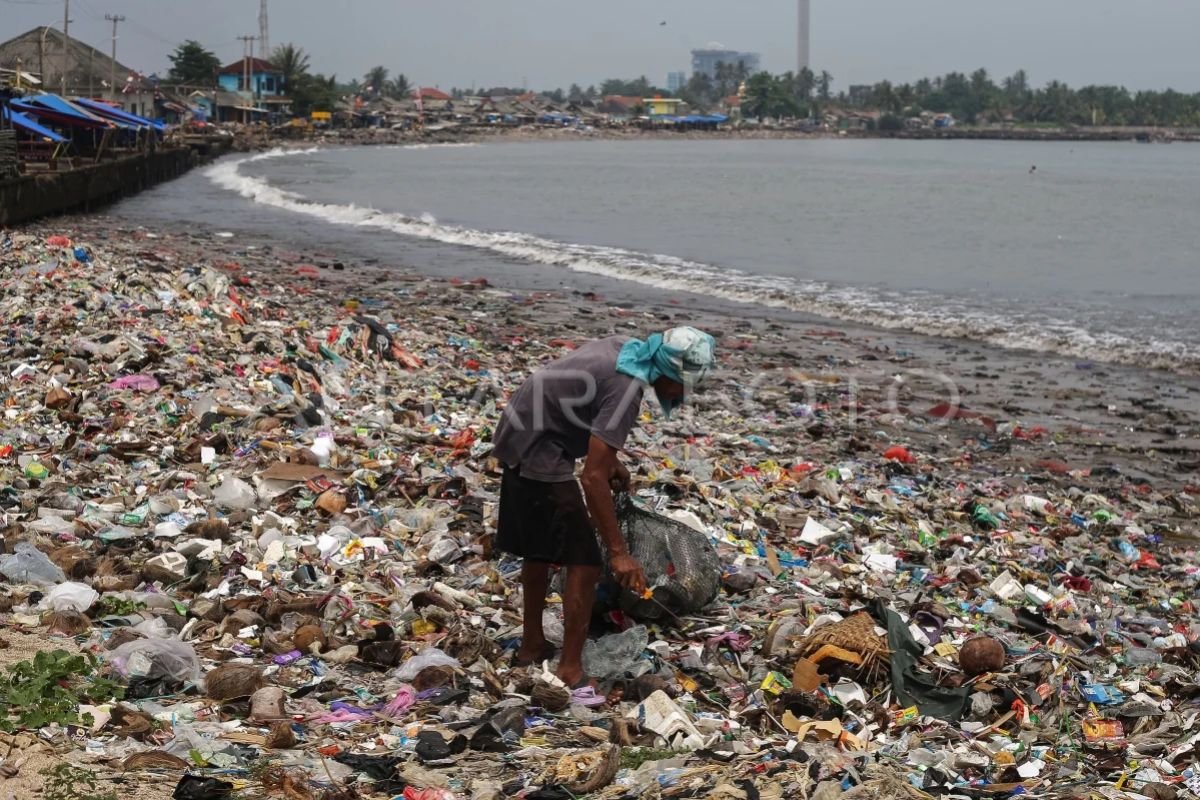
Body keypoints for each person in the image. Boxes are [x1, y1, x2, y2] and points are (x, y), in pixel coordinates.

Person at [491, 327, 717, 687]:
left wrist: (612, 462)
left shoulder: (627, 350)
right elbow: (592, 479)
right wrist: (619, 553)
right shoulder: (627, 391)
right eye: (683, 386)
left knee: (539, 547)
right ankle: (570, 669)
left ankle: (532, 645)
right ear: (669, 373)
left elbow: (593, 437)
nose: (682, 395)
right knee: (584, 562)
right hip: (541, 448)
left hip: (521, 428)